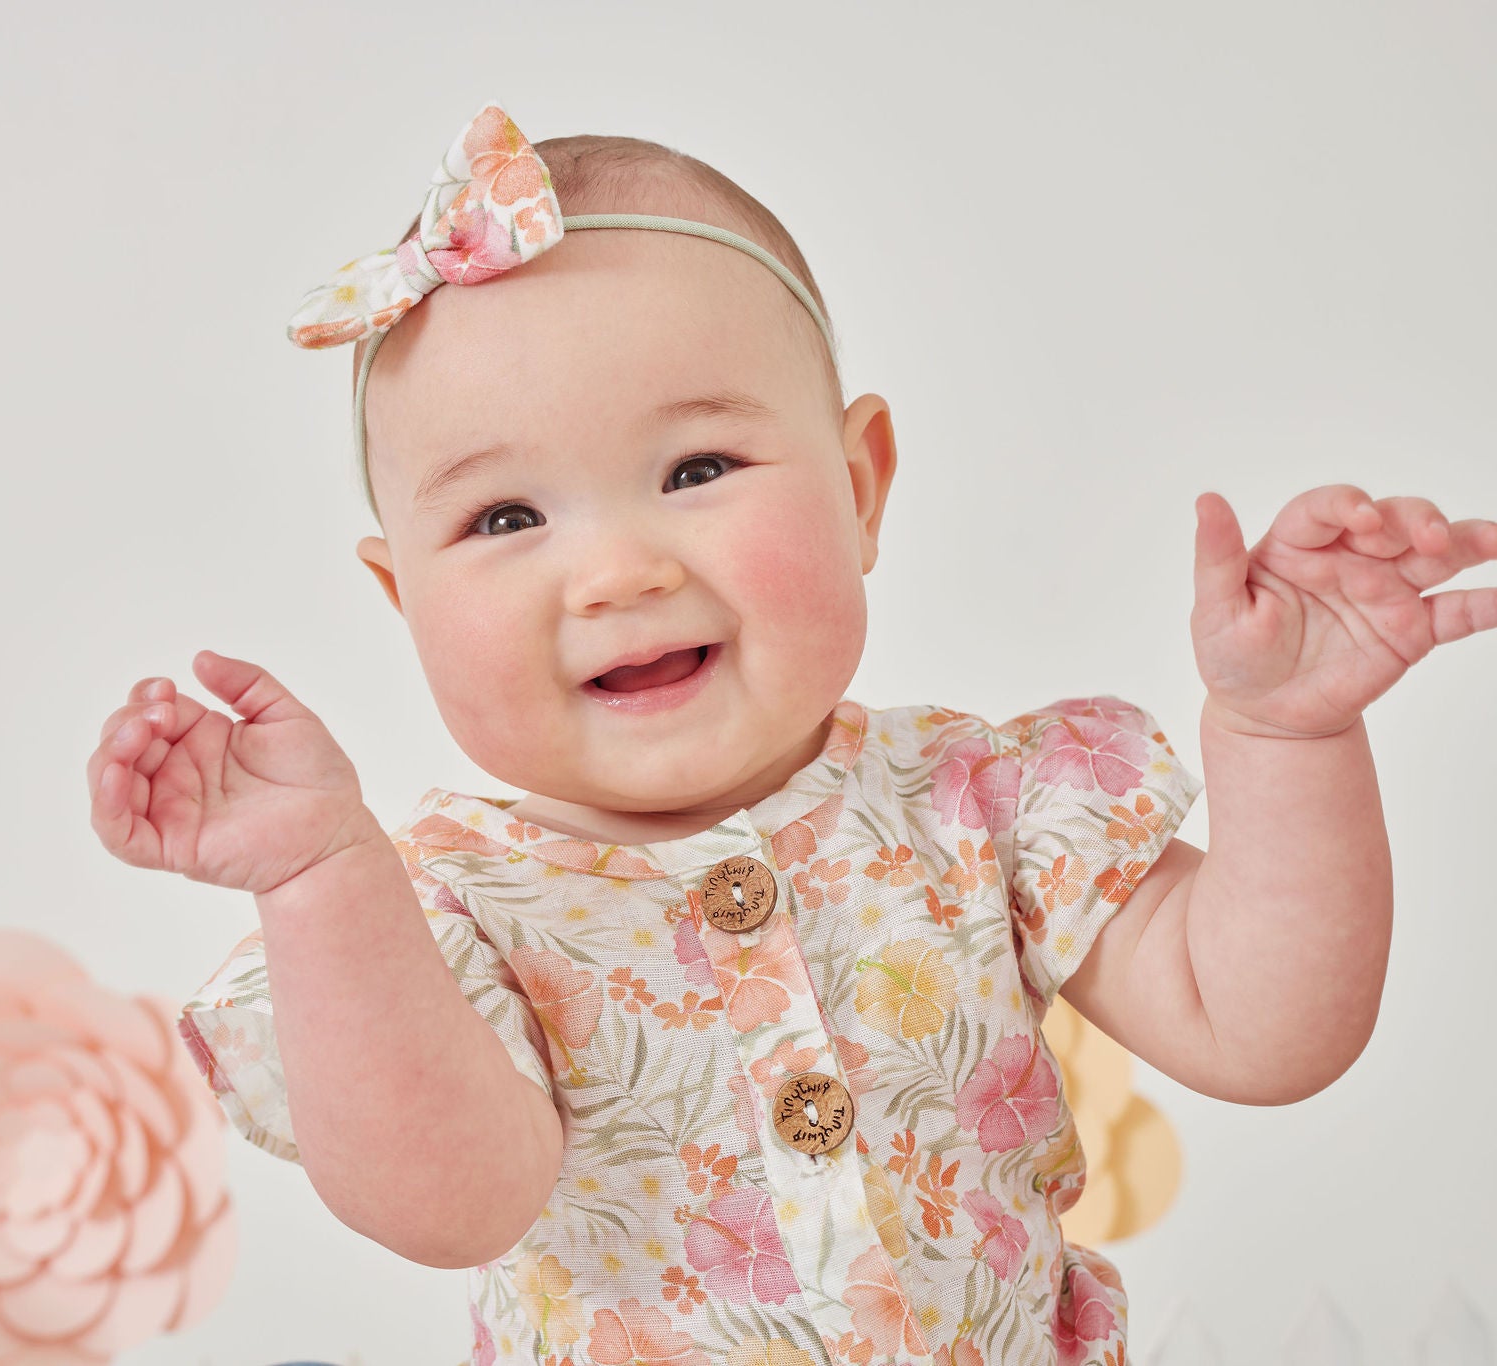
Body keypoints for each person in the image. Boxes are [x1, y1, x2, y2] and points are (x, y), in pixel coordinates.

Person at [85, 103, 1496, 1365]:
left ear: (861, 484)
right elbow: (450, 1202)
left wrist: (1282, 738)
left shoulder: (975, 803)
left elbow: (1267, 1028)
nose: (618, 570)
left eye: (696, 469)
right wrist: (322, 874)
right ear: (401, 596)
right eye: (505, 517)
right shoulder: (445, 910)